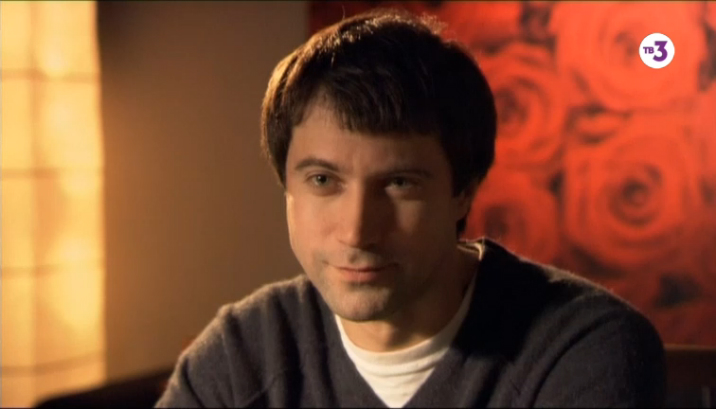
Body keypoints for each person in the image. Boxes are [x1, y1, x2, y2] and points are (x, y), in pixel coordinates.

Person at [156, 9, 666, 408]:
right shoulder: (242, 355)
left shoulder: (579, 349)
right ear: (287, 187)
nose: (357, 231)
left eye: (399, 184)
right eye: (323, 181)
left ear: (463, 191)